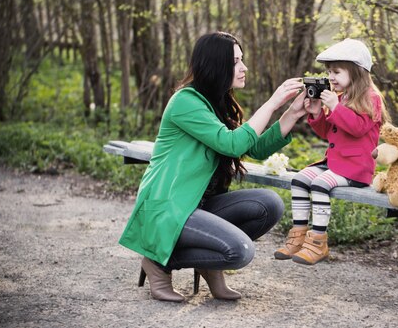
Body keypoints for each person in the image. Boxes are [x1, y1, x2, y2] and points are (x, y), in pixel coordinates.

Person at [119, 32, 306, 302]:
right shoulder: (185, 102)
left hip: (201, 205)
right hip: (171, 206)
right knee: (239, 252)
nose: (244, 68)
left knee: (269, 204)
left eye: (243, 60)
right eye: (236, 62)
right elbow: (230, 144)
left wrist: (293, 113)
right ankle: (157, 261)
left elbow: (252, 147)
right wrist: (273, 102)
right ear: (215, 65)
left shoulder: (216, 103)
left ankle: (209, 259)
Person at [274, 38, 391, 265]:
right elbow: (329, 134)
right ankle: (298, 236)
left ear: (357, 72)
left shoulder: (372, 99)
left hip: (356, 168)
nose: (331, 78)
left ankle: (318, 242)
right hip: (335, 163)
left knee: (319, 185)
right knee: (299, 180)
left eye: (336, 72)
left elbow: (357, 129)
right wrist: (318, 113)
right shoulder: (340, 97)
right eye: (329, 72)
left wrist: (335, 108)